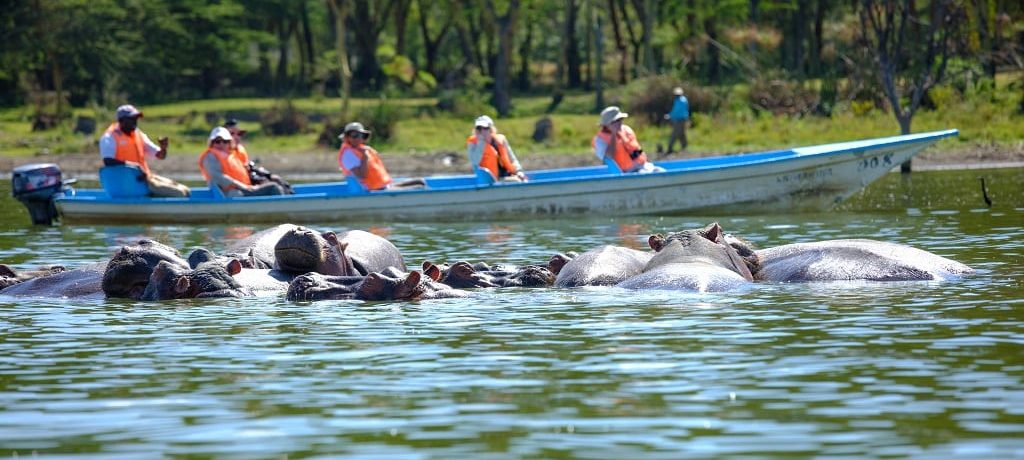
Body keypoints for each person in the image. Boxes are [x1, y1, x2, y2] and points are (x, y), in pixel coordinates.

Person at [99, 104, 190, 197]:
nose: (135, 121)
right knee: (180, 194)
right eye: (132, 118)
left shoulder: (138, 133)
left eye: (136, 118)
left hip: (145, 179)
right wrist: (134, 167)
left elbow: (160, 156)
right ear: (121, 121)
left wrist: (163, 148)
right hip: (129, 183)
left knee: (187, 191)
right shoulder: (109, 137)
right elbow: (108, 161)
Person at [338, 122, 426, 191]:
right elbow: (361, 176)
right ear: (347, 137)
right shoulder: (348, 155)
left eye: (361, 135)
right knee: (419, 187)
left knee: (420, 181)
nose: (358, 138)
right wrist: (365, 157)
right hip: (373, 190)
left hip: (383, 186)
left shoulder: (361, 150)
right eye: (354, 135)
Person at [199, 127, 284, 197]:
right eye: (217, 141)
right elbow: (216, 176)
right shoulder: (210, 156)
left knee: (274, 183)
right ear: (212, 143)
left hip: (243, 189)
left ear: (229, 143)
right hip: (231, 193)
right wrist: (239, 185)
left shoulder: (231, 156)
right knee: (273, 187)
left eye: (225, 141)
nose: (221, 144)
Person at [225, 118, 293, 194]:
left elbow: (248, 168)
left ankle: (292, 200)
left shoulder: (240, 149)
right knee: (273, 186)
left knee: (276, 179)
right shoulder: (226, 153)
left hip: (250, 180)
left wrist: (264, 176)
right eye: (232, 134)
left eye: (239, 133)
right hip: (243, 187)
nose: (237, 137)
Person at [593, 106, 664, 174]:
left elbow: (637, 150)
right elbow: (609, 157)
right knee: (643, 174)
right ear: (607, 124)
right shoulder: (600, 140)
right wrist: (614, 134)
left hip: (644, 166)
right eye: (616, 120)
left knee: (661, 171)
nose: (620, 122)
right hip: (627, 173)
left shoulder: (626, 129)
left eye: (621, 119)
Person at [466, 115, 527, 182]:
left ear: (491, 129)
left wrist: (519, 171)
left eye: (485, 128)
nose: (482, 131)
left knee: (523, 180)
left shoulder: (500, 140)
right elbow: (475, 162)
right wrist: (481, 143)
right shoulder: (473, 143)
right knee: (516, 181)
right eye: (479, 128)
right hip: (489, 180)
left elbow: (512, 159)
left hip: (507, 175)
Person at [665, 86, 690, 155]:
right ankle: (684, 147)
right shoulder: (684, 99)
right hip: (683, 119)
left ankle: (670, 148)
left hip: (679, 120)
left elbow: (676, 111)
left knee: (675, 134)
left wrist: (669, 115)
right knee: (681, 133)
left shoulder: (679, 101)